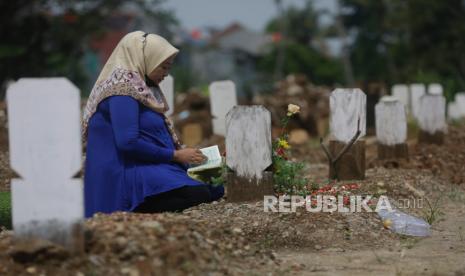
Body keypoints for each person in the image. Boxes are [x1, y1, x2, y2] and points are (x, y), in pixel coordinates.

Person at [82, 31, 224, 218]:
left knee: (215, 187)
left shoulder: (140, 88)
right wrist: (175, 155)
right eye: (163, 67)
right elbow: (128, 143)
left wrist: (184, 154)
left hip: (146, 163)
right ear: (145, 59)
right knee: (198, 193)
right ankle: (132, 208)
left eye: (168, 68)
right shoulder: (122, 92)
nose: (166, 74)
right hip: (124, 172)